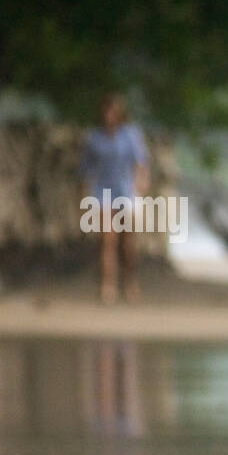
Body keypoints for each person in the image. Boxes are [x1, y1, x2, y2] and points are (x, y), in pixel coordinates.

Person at [80, 92, 149, 304]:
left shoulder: (130, 135)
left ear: (119, 114)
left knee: (127, 244)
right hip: (103, 192)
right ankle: (107, 286)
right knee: (106, 241)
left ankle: (129, 283)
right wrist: (82, 196)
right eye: (106, 111)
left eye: (112, 111)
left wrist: (141, 182)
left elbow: (141, 162)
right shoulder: (94, 138)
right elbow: (85, 169)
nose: (109, 115)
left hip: (126, 191)